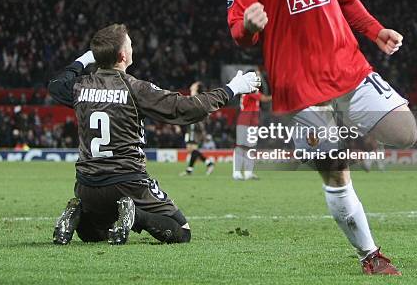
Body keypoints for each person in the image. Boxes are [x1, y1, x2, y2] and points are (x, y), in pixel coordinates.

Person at [227, 0, 417, 275]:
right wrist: (250, 26)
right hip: (299, 84)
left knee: (405, 133)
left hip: (347, 66)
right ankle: (371, 256)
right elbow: (238, 32)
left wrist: (375, 30)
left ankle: (335, 134)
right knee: (334, 169)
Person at [48, 23, 260, 245]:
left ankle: (78, 212)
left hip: (86, 185)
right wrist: (232, 88)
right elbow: (189, 108)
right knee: (181, 231)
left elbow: (55, 85)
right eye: (130, 45)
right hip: (128, 181)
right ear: (122, 56)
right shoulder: (135, 88)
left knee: (95, 235)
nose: (133, 49)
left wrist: (85, 58)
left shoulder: (80, 87)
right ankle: (135, 215)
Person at [234, 70, 271, 181]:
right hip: (244, 121)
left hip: (252, 122)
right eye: (257, 75)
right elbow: (264, 99)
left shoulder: (252, 89)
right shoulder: (249, 89)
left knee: (250, 147)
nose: (259, 77)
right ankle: (236, 173)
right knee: (241, 146)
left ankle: (248, 173)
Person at [180, 82, 215, 176]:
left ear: (197, 88)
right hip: (191, 125)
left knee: (192, 149)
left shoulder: (197, 98)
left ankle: (208, 163)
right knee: (190, 149)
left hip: (195, 125)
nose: (192, 86)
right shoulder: (193, 98)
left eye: (194, 85)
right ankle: (191, 169)